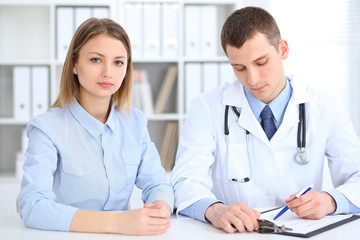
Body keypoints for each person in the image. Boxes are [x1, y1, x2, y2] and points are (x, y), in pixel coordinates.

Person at [171, 6, 360, 234]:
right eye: (239, 68)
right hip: (236, 234)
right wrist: (213, 209)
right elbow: (184, 179)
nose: (252, 79)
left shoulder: (326, 107)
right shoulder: (207, 107)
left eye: (261, 63)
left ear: (283, 49)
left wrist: (331, 200)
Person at [18, 18, 174, 236]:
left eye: (118, 62)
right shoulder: (46, 128)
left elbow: (157, 183)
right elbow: (32, 206)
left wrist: (160, 208)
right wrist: (117, 223)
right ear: (74, 63)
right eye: (95, 60)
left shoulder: (135, 122)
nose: (108, 73)